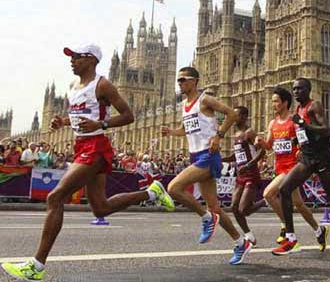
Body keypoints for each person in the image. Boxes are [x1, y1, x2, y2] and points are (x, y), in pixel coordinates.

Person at [1, 44, 175, 281]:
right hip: (82, 145)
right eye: (71, 57)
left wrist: (100, 125)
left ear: (91, 60)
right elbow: (79, 116)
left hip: (95, 147)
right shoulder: (74, 87)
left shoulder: (102, 84)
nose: (71, 61)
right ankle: (152, 193)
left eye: (76, 57)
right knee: (101, 208)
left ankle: (36, 266)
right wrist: (62, 122)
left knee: (55, 197)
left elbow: (128, 115)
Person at [162, 66, 252, 265]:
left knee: (173, 188)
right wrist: (171, 132)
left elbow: (231, 114)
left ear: (194, 81)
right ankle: (240, 242)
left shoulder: (205, 99)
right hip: (195, 156)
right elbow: (186, 130)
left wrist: (219, 136)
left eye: (183, 79)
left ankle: (205, 218)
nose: (180, 83)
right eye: (178, 80)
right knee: (215, 208)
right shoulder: (184, 105)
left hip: (208, 156)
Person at [273, 78, 330, 255]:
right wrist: (296, 139)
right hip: (307, 157)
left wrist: (303, 124)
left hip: (321, 158)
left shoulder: (315, 106)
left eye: (300, 89)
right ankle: (290, 238)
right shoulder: (298, 109)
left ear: (308, 90)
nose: (296, 92)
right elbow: (304, 132)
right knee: (284, 189)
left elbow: (326, 130)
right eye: (294, 89)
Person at [255, 87, 325, 252]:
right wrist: (260, 142)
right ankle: (319, 229)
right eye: (272, 101)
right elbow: (269, 145)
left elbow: (304, 141)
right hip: (279, 167)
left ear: (285, 103)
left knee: (269, 194)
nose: (273, 104)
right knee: (299, 204)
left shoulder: (294, 121)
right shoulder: (272, 123)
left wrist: (302, 150)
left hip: (293, 167)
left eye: (276, 101)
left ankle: (288, 231)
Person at [222, 106, 266, 246]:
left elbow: (262, 151)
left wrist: (249, 165)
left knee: (243, 210)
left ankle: (266, 201)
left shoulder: (250, 132)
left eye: (237, 115)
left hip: (251, 174)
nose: (234, 118)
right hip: (240, 175)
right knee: (234, 208)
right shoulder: (236, 134)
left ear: (245, 116)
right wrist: (222, 159)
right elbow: (236, 156)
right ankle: (249, 235)